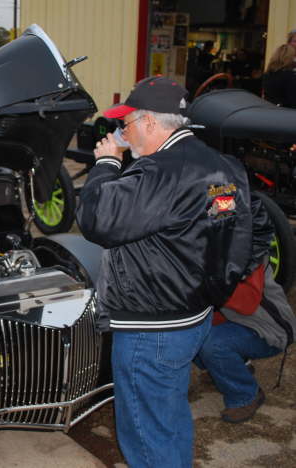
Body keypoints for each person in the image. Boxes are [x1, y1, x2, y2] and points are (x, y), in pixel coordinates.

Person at [76, 76, 263, 468]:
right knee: (168, 417)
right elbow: (239, 237)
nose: (120, 134)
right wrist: (213, 291)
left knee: (147, 433)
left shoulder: (161, 174)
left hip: (153, 326)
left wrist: (108, 163)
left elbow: (97, 219)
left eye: (124, 126)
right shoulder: (219, 163)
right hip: (193, 315)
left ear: (149, 123)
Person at [195, 257, 296, 423]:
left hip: (271, 331)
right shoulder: (202, 254)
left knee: (213, 344)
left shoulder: (250, 254)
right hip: (238, 325)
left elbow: (247, 301)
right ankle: (230, 368)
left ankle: (245, 395)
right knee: (189, 332)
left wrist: (205, 285)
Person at [262, 44, 296, 108]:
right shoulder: (290, 75)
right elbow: (292, 100)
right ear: (290, 58)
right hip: (285, 112)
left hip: (269, 109)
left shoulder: (267, 73)